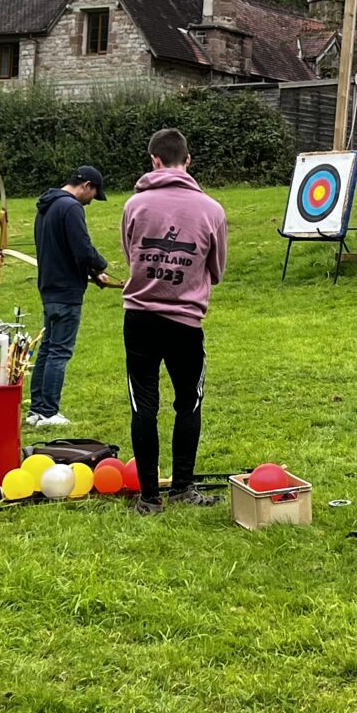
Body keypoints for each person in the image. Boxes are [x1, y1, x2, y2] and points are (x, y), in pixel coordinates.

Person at [119, 128, 228, 513]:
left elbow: (131, 254)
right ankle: (182, 487)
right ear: (189, 161)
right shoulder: (212, 210)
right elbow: (217, 270)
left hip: (141, 318)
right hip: (185, 322)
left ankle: (149, 497)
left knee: (143, 404)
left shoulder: (135, 206)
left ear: (155, 161)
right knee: (189, 403)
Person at [27, 165, 117, 427]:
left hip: (49, 286)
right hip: (66, 290)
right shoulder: (71, 207)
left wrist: (91, 272)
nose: (91, 202)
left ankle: (36, 410)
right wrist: (100, 265)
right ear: (86, 185)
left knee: (47, 348)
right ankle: (49, 412)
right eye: (94, 194)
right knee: (59, 351)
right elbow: (82, 248)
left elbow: (64, 249)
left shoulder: (47, 206)